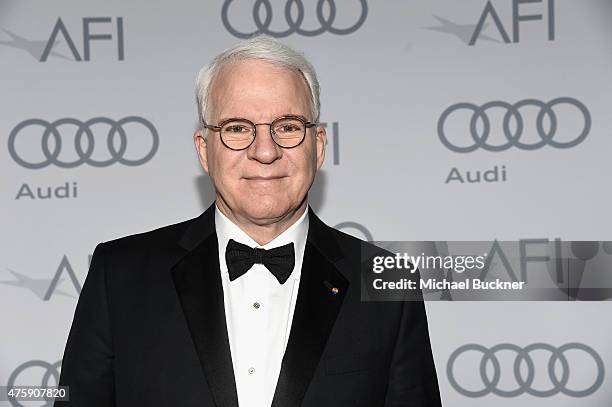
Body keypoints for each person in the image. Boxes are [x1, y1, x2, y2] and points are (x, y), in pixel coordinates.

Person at [55, 36, 442, 407]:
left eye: (287, 126)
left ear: (319, 145)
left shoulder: (386, 283)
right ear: (204, 150)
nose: (265, 151)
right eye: (237, 128)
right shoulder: (120, 275)